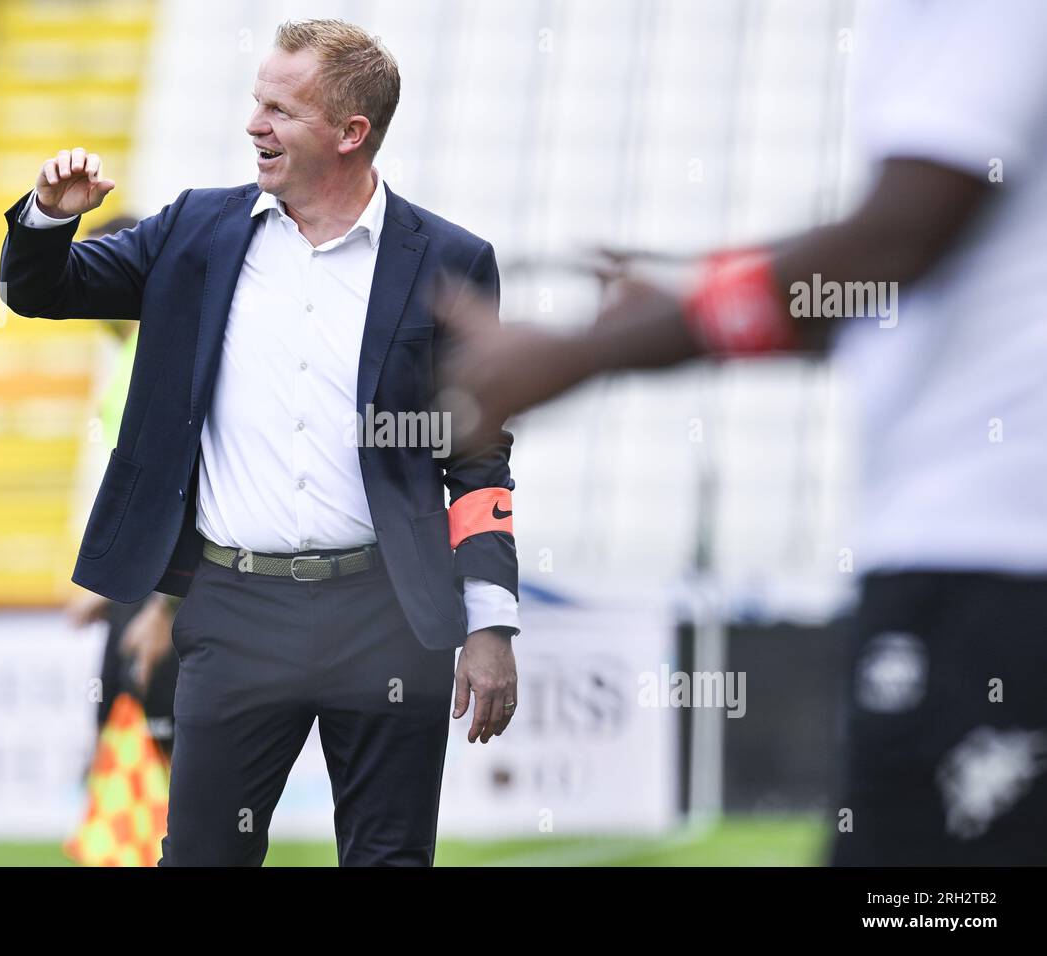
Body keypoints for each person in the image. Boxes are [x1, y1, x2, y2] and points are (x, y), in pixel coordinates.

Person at [434, 0, 1047, 865]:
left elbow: (898, 240)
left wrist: (581, 354)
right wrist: (690, 298)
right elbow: (875, 280)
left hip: (990, 564)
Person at [0, 19, 521, 867]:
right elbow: (41, 291)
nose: (254, 124)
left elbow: (477, 459)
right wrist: (50, 219)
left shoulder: (449, 261)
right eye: (255, 101)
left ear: (352, 133)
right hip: (234, 610)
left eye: (280, 108)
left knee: (389, 860)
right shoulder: (195, 233)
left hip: (390, 613)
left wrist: (491, 622)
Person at [63, 215, 181, 762]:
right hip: (136, 579)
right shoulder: (132, 353)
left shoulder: (165, 357)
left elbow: (179, 489)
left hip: (163, 585)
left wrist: (162, 609)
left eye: (94, 273)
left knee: (153, 753)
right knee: (119, 745)